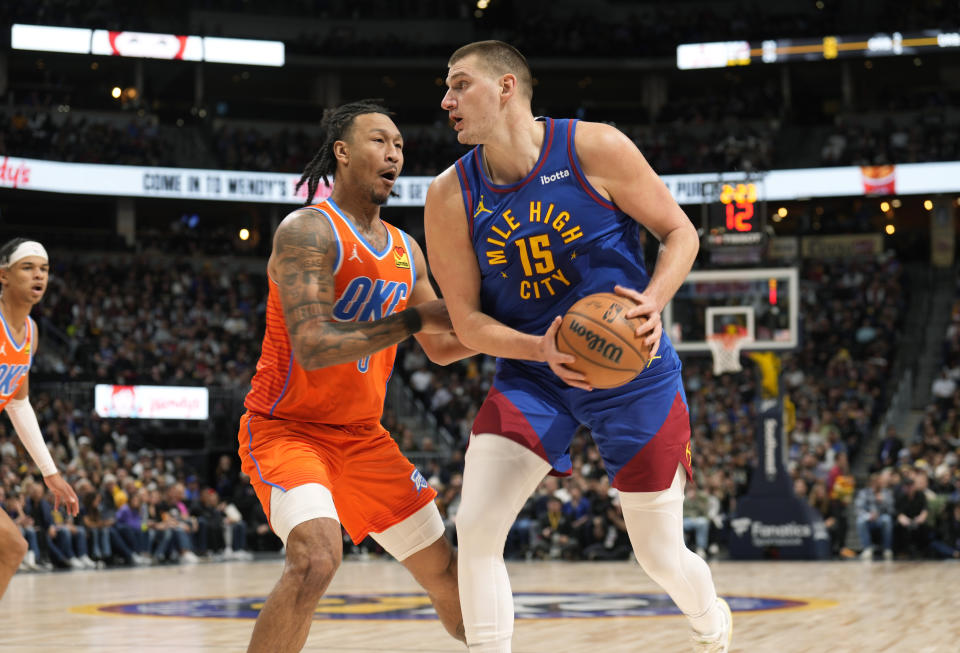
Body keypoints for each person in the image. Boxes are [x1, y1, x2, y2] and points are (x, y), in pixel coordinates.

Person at [424, 40, 731, 652]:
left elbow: (679, 231)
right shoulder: (448, 195)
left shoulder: (594, 146)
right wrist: (540, 350)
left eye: (460, 85)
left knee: (660, 555)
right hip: (534, 373)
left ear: (506, 86)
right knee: (477, 529)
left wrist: (654, 298)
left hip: (632, 371)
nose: (446, 99)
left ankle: (712, 626)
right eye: (447, 87)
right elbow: (467, 324)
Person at [238, 100, 471, 653]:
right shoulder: (308, 230)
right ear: (341, 152)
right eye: (379, 141)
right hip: (287, 430)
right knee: (317, 558)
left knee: (450, 578)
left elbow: (440, 347)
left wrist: (534, 334)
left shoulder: (404, 250)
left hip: (364, 439)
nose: (394, 154)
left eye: (399, 146)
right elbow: (315, 347)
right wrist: (414, 317)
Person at [0, 239, 80, 599]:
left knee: (12, 549)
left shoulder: (30, 333)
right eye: (27, 267)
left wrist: (51, 473)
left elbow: (18, 404)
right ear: (4, 275)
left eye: (44, 269)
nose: (38, 275)